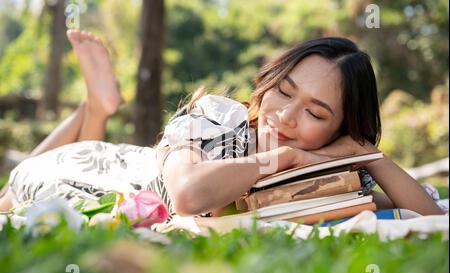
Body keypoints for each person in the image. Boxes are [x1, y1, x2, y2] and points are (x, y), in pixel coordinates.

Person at [0, 30, 445, 221]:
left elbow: (430, 215)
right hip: (104, 174)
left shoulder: (327, 168)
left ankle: (94, 108)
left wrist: (367, 154)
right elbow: (188, 195)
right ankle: (93, 109)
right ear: (268, 83)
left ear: (340, 129)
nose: (286, 116)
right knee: (9, 194)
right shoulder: (219, 119)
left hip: (120, 163)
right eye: (284, 91)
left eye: (316, 112)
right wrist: (282, 156)